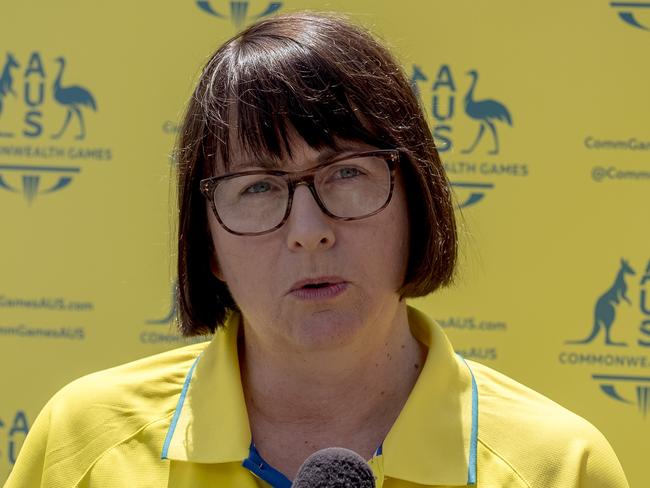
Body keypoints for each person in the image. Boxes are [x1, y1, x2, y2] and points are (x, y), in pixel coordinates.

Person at [6, 11, 629, 488]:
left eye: (347, 173)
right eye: (257, 186)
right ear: (208, 244)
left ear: (416, 198)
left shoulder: (560, 466)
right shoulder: (81, 442)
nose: (308, 229)